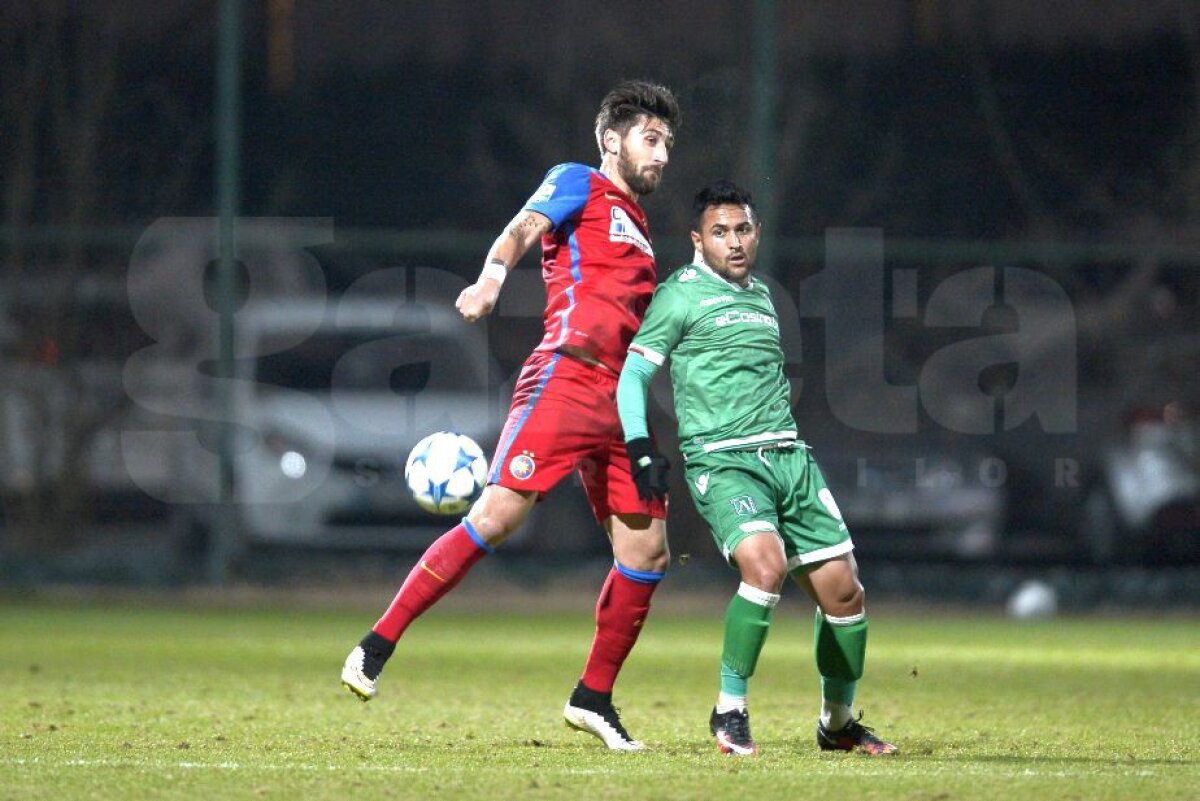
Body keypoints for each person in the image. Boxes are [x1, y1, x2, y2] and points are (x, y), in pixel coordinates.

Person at [341, 80, 681, 751]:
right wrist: (492, 277)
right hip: (566, 375)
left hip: (621, 399)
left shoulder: (641, 229)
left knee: (647, 550)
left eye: (669, 142)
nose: (663, 153)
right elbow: (523, 226)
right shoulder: (578, 181)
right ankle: (374, 646)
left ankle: (593, 697)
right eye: (651, 137)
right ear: (611, 140)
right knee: (497, 516)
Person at [616, 180, 897, 757]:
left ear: (757, 233)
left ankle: (837, 722)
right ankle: (729, 710)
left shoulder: (764, 296)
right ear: (699, 240)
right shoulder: (680, 295)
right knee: (763, 568)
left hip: (789, 459)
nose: (734, 242)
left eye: (742, 229)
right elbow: (634, 376)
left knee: (844, 596)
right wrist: (641, 447)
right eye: (720, 232)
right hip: (722, 462)